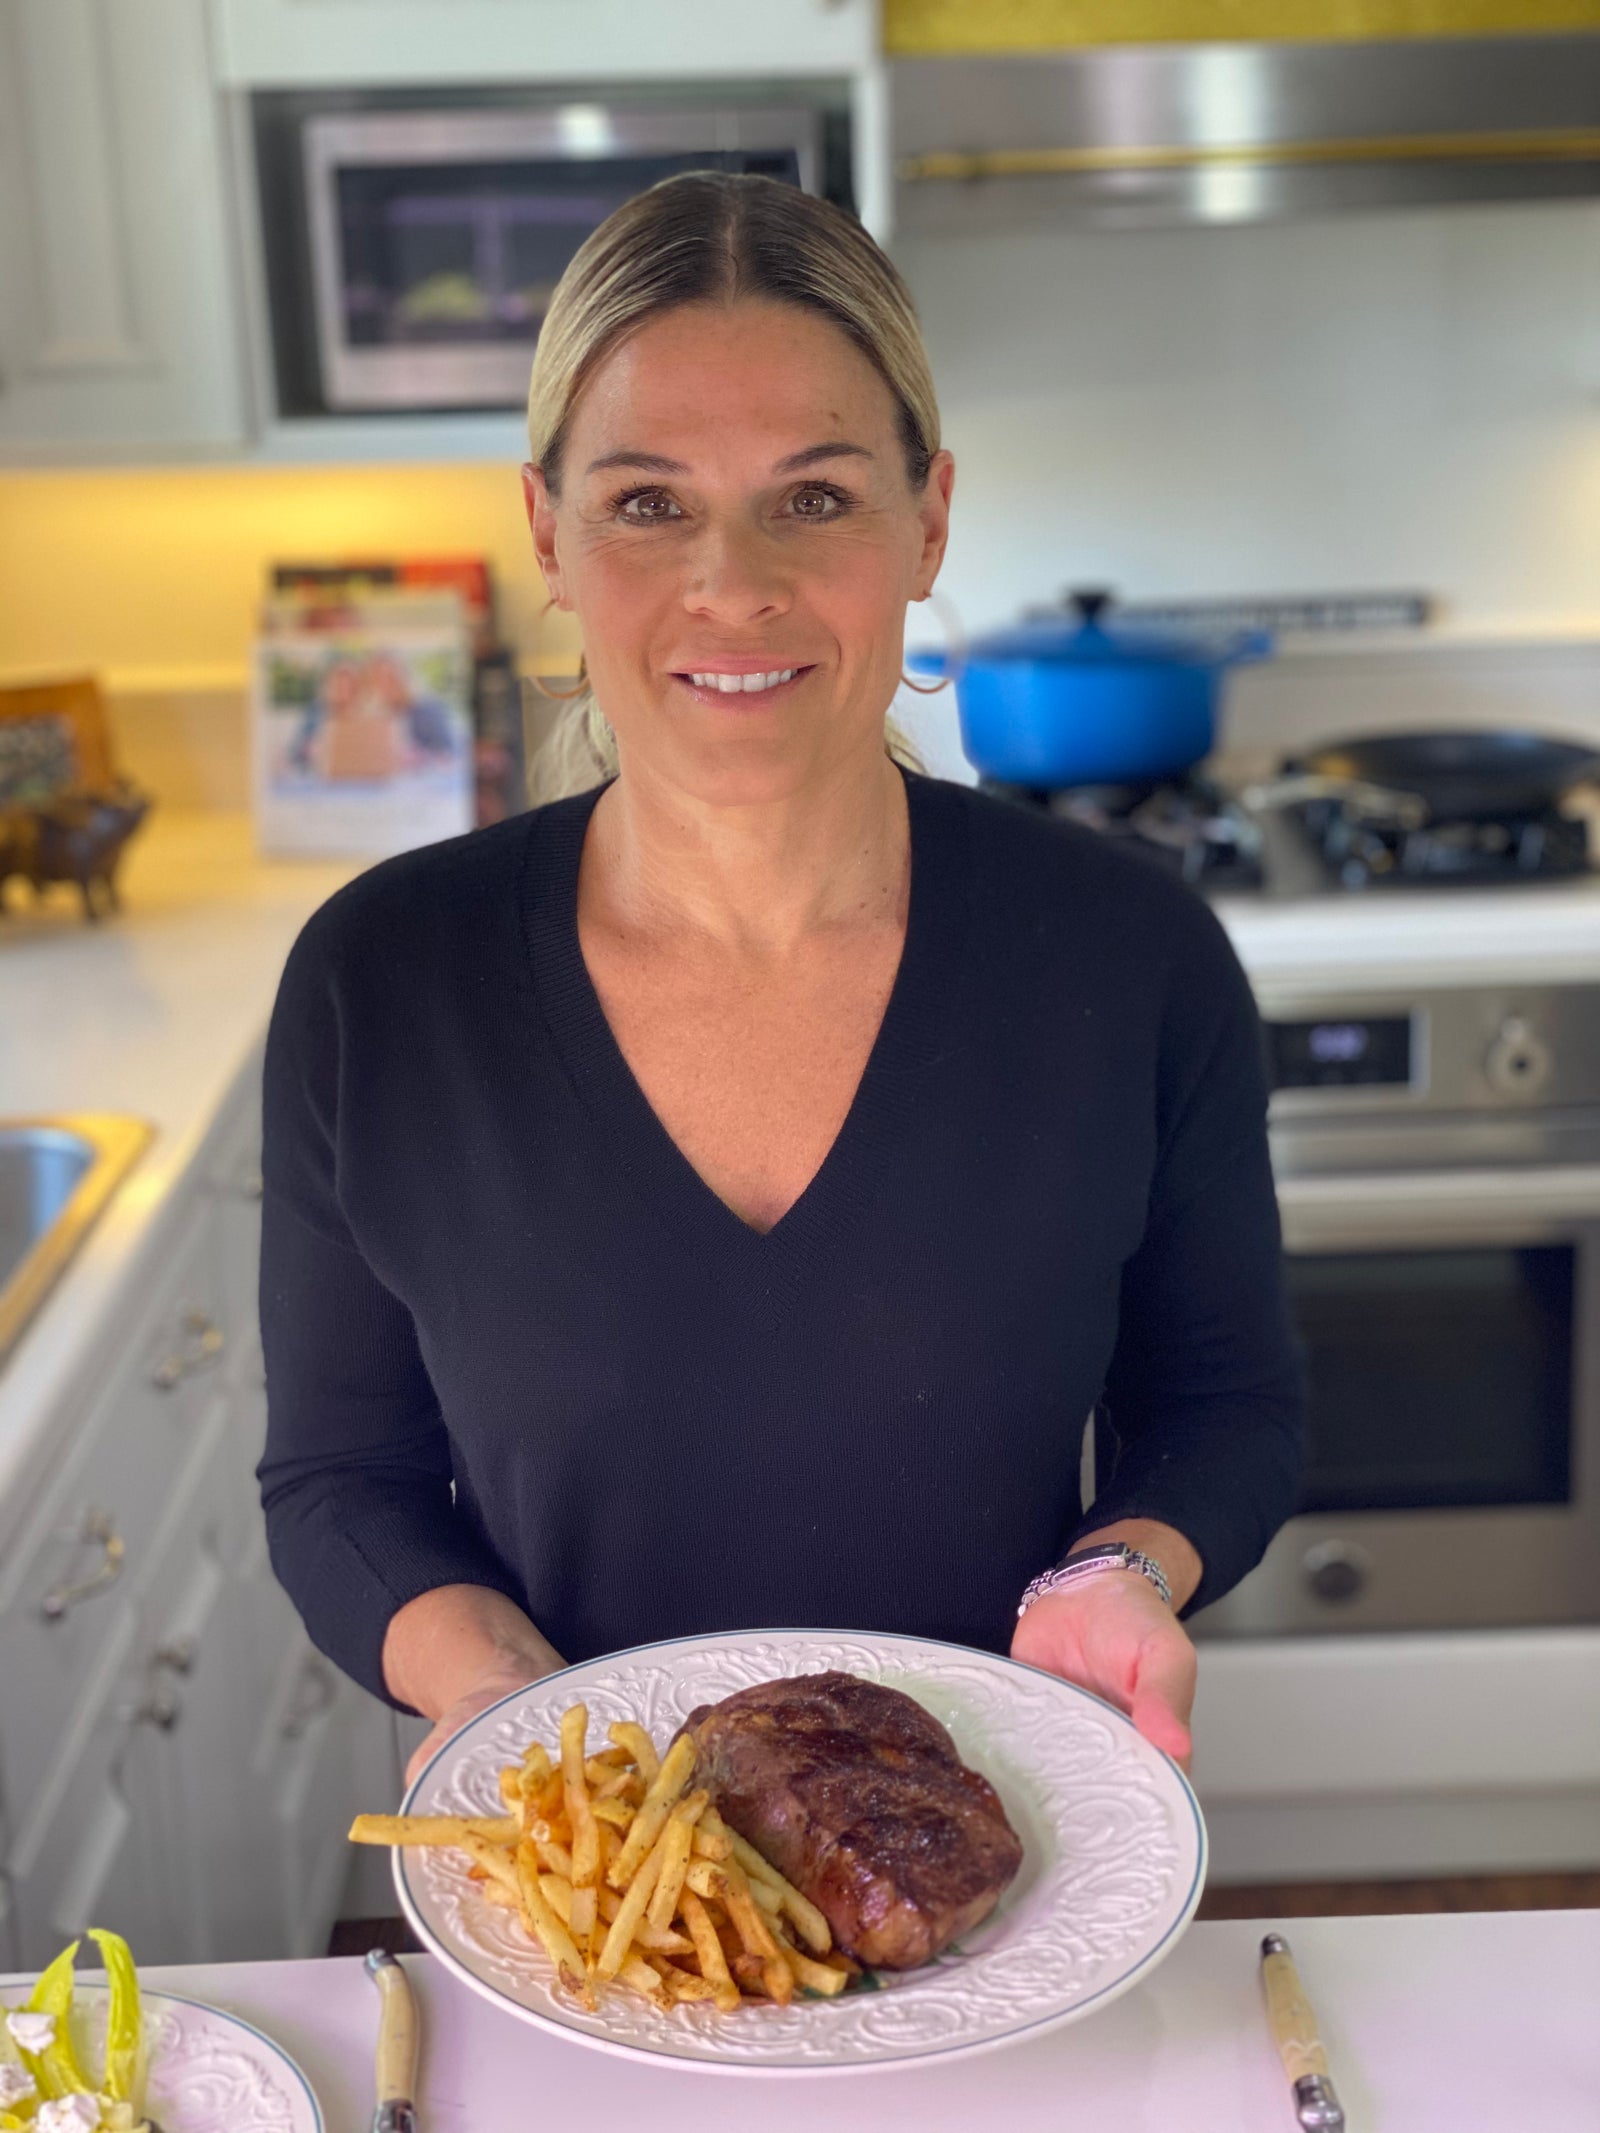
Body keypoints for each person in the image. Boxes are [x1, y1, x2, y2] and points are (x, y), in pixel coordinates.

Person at [258, 173, 1303, 1789]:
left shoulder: (1131, 953)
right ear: (548, 529)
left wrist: (1124, 1570)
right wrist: (497, 1692)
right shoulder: (382, 981)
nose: (731, 583)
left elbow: (1225, 1402)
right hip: (593, 1894)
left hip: (1012, 1863)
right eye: (648, 500)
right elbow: (338, 1475)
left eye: (813, 498)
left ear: (928, 518)